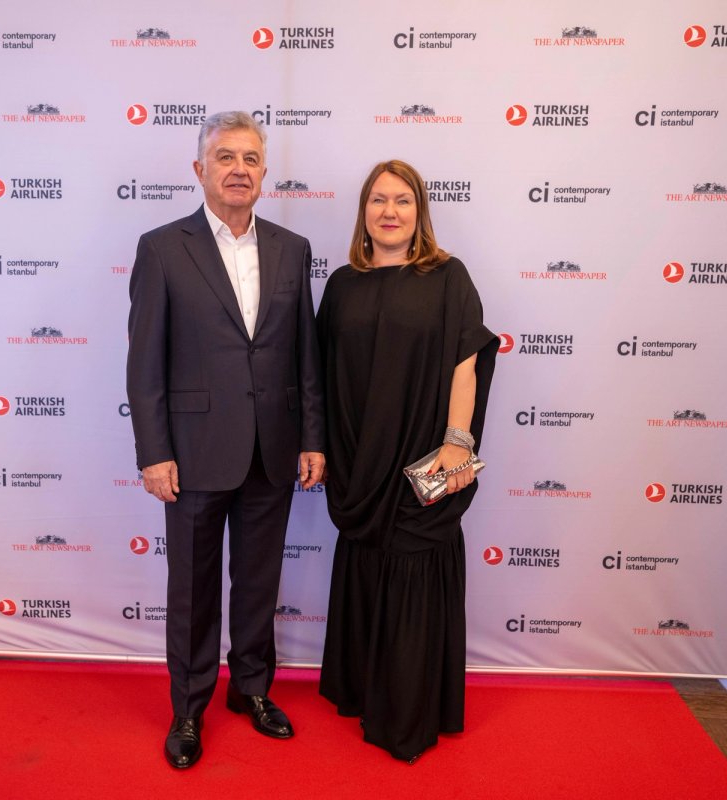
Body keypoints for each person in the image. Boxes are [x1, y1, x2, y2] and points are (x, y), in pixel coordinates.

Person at [126, 110, 325, 769]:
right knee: (192, 587)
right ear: (200, 169)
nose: (238, 169)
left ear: (265, 172)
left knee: (258, 583)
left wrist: (312, 440)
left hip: (273, 449)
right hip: (191, 455)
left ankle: (253, 690)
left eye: (250, 158)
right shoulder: (161, 248)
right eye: (225, 157)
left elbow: (306, 358)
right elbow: (144, 362)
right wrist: (153, 452)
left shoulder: (292, 250)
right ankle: (188, 708)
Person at [316, 159, 497, 763]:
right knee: (368, 562)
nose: (389, 211)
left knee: (416, 563)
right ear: (363, 211)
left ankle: (408, 715)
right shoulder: (341, 284)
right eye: (378, 200)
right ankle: (363, 690)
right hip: (358, 462)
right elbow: (322, 374)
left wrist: (456, 443)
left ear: (420, 213)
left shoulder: (448, 277)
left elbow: (466, 362)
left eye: (402, 201)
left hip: (428, 454)